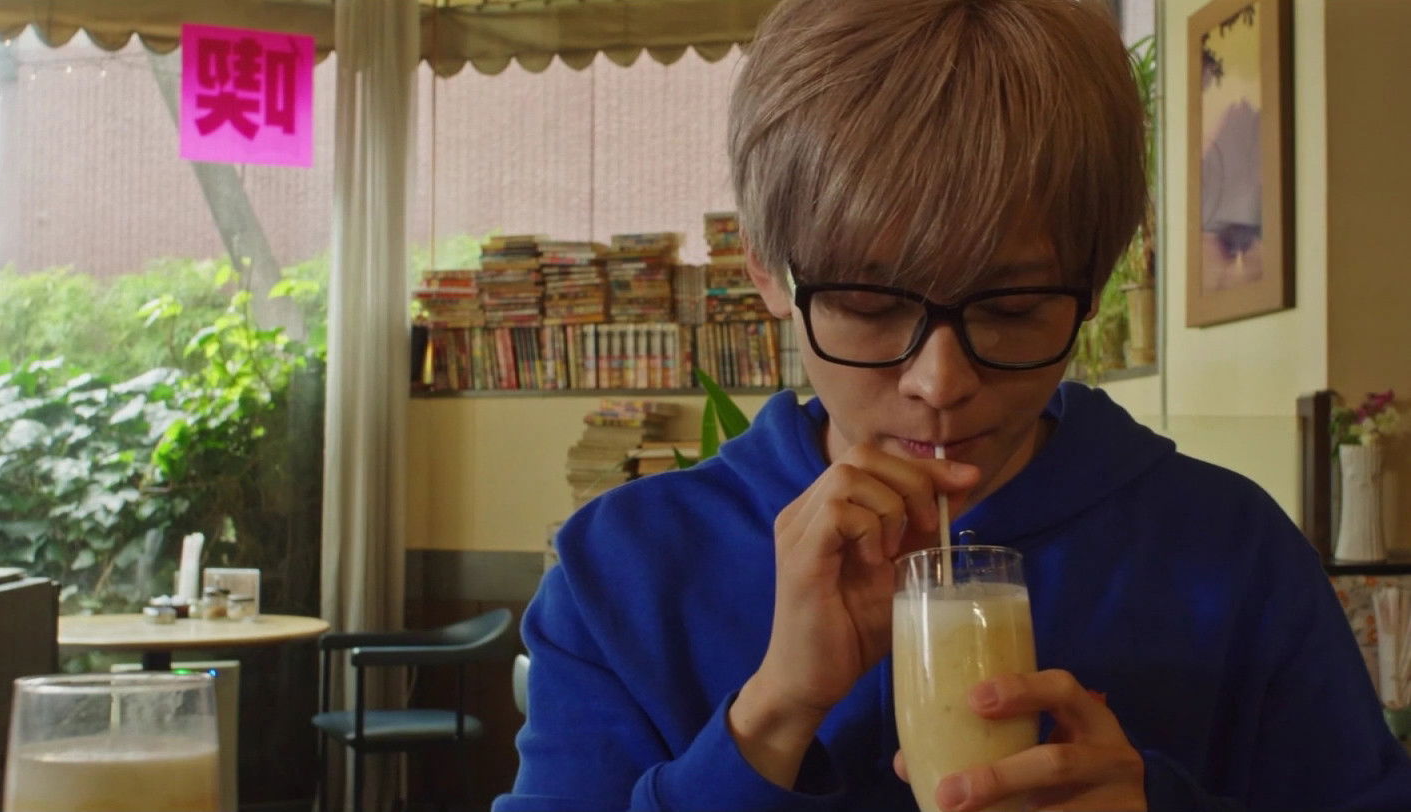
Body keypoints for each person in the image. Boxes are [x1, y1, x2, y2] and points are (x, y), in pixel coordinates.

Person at [494, 0, 1411, 810]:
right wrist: (771, 716)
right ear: (767, 272)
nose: (939, 383)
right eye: (868, 304)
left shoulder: (1233, 551)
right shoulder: (623, 571)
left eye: (1012, 308)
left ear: (1093, 286)